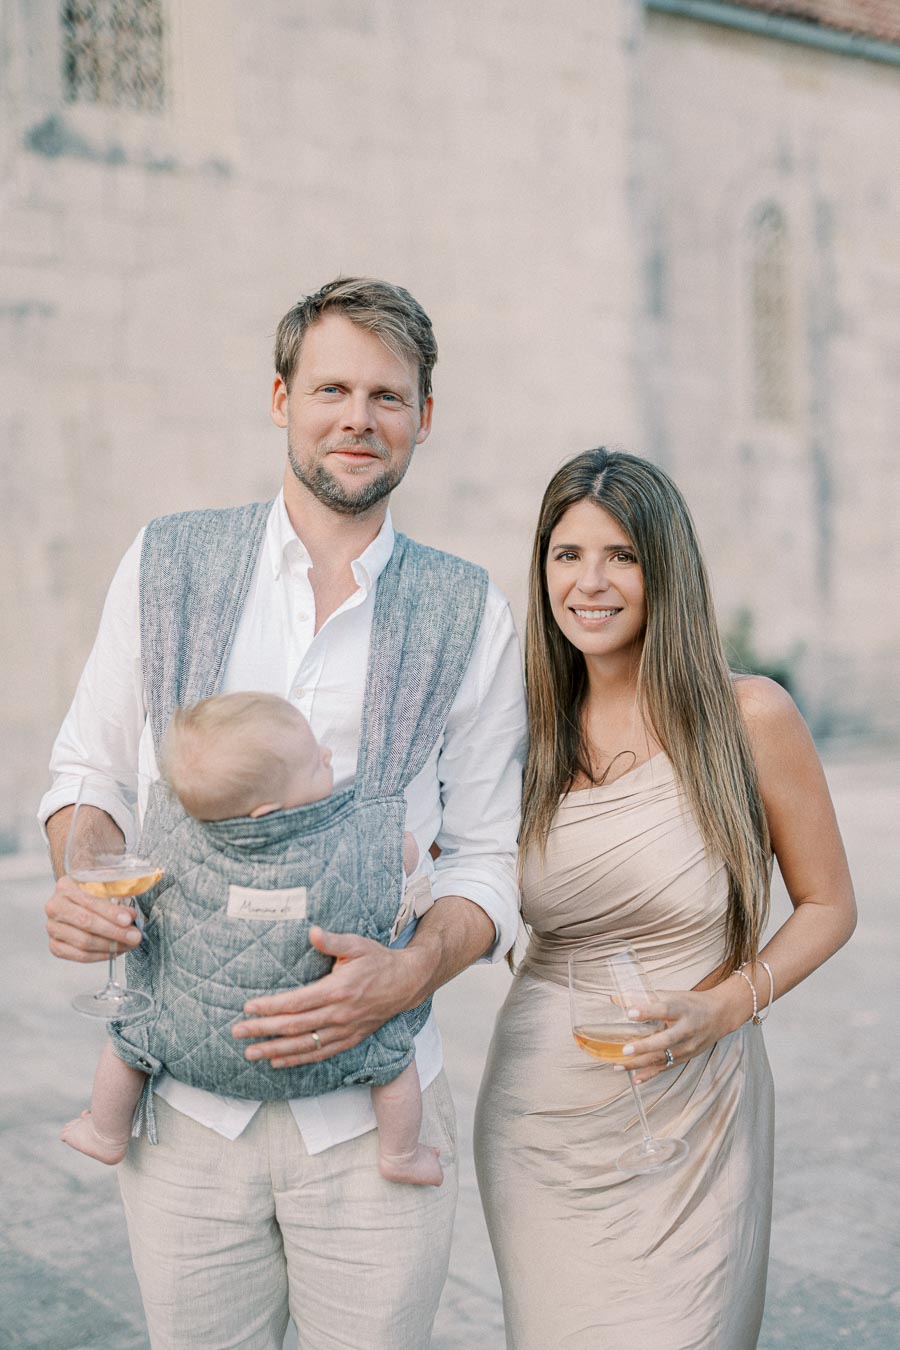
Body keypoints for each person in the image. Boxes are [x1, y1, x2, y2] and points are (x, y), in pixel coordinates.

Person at [41, 277, 526, 1350]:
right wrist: (84, 874)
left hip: (373, 1119)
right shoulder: (167, 560)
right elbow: (87, 779)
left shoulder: (470, 609)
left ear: (424, 420)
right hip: (182, 1116)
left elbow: (491, 859)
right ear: (281, 399)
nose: (359, 418)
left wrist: (408, 973)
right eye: (332, 388)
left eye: (389, 397)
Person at [474, 448, 856, 1350]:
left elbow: (830, 905)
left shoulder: (750, 718)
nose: (590, 582)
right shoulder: (521, 736)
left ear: (666, 570)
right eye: (566, 555)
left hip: (699, 1115)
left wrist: (724, 1007)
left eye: (622, 555)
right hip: (542, 1114)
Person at [62, 691, 444, 1188]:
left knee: (128, 1041)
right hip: (328, 1043)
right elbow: (407, 854)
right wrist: (406, 849)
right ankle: (401, 1154)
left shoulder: (171, 845)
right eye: (314, 763)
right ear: (267, 810)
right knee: (394, 1058)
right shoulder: (360, 843)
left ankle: (107, 1133)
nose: (329, 756)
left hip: (186, 1038)